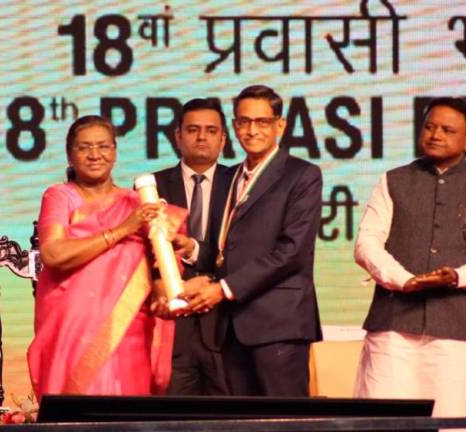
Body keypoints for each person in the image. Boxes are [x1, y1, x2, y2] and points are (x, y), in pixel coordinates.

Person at [353, 97, 466, 419]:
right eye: (429, 127)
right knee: (383, 423)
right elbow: (366, 242)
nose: (435, 135)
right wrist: (402, 280)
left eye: (447, 130)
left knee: (453, 422)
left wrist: (456, 277)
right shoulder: (393, 180)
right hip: (393, 331)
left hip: (458, 333)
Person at [182, 85, 323, 396]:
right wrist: (191, 248)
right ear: (234, 127)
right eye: (244, 122)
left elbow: (292, 252)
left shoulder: (302, 175)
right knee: (243, 423)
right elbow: (226, 251)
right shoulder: (228, 177)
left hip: (279, 324)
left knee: (285, 425)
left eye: (262, 122)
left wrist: (222, 289)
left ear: (280, 125)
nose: (252, 130)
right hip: (231, 328)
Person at [27, 115, 180, 398]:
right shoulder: (60, 196)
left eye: (103, 146)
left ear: (115, 151)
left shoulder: (137, 202)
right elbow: (52, 253)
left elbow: (157, 265)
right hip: (73, 328)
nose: (95, 155)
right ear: (69, 155)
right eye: (84, 147)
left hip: (128, 329)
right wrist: (123, 229)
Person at [153, 98, 231, 395]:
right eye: (193, 129)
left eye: (211, 130)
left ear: (223, 138)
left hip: (226, 327)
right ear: (178, 136)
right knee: (171, 423)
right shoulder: (152, 188)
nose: (202, 137)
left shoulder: (239, 183)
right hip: (173, 328)